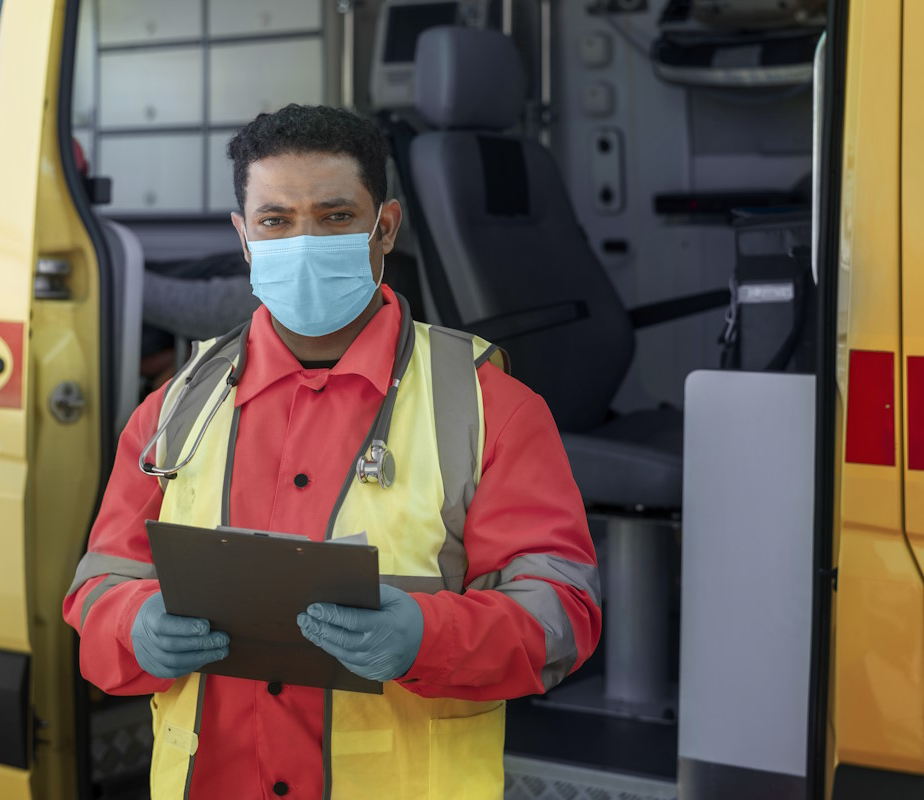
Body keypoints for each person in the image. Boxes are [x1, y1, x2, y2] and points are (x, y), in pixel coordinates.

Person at [64, 103, 601, 800]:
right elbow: (98, 587)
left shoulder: (488, 407)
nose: (304, 240)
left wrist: (428, 636)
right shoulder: (174, 409)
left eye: (335, 216)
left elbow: (563, 613)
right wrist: (134, 627)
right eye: (276, 221)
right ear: (244, 237)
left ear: (385, 228)